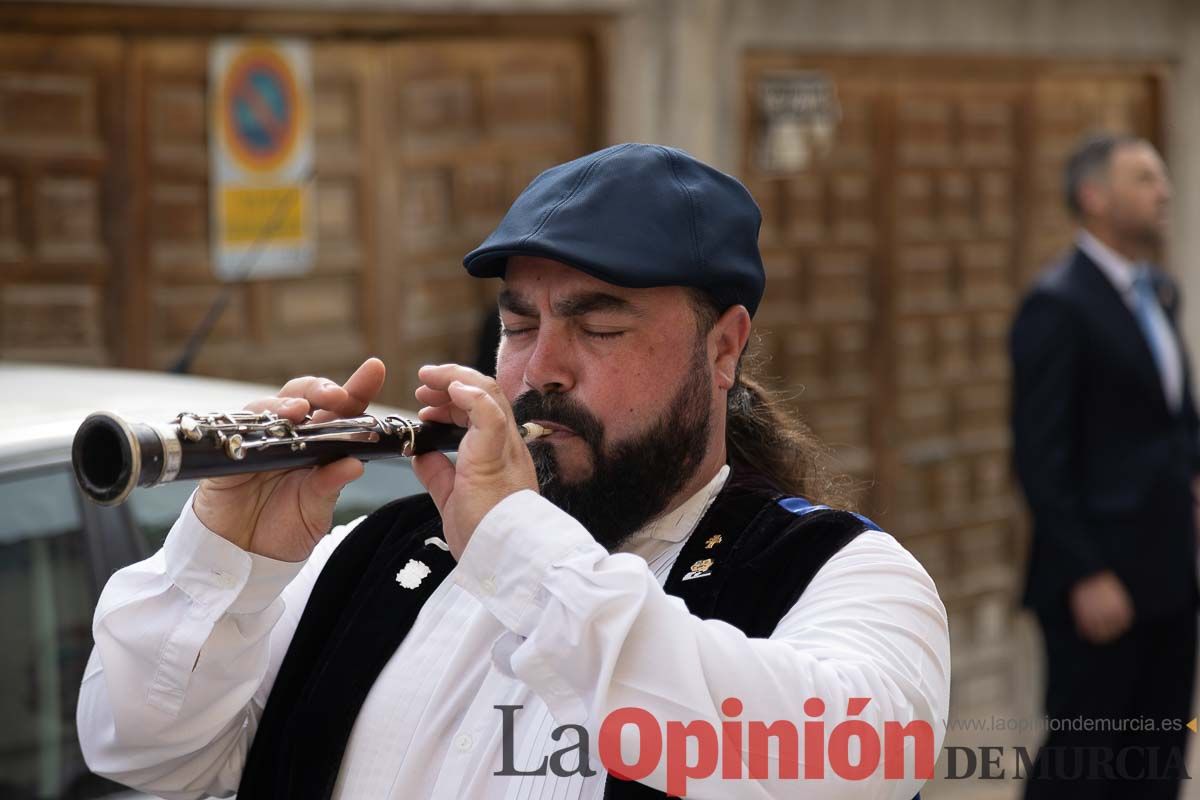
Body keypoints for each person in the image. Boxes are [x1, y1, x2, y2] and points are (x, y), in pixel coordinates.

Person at [78, 143, 949, 799]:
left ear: (722, 349)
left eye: (599, 327)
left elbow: (841, 761)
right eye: (521, 325)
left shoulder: (845, 577)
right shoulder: (372, 556)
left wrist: (519, 549)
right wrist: (227, 559)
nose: (539, 373)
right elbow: (142, 749)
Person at [1011, 133, 1200, 799]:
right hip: (1100, 581)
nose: (1165, 191)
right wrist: (1087, 572)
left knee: (1157, 759)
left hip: (1172, 572)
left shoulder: (1161, 292)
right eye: (1145, 177)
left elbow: (1173, 419)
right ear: (1095, 197)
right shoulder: (1057, 304)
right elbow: (1038, 455)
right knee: (1083, 763)